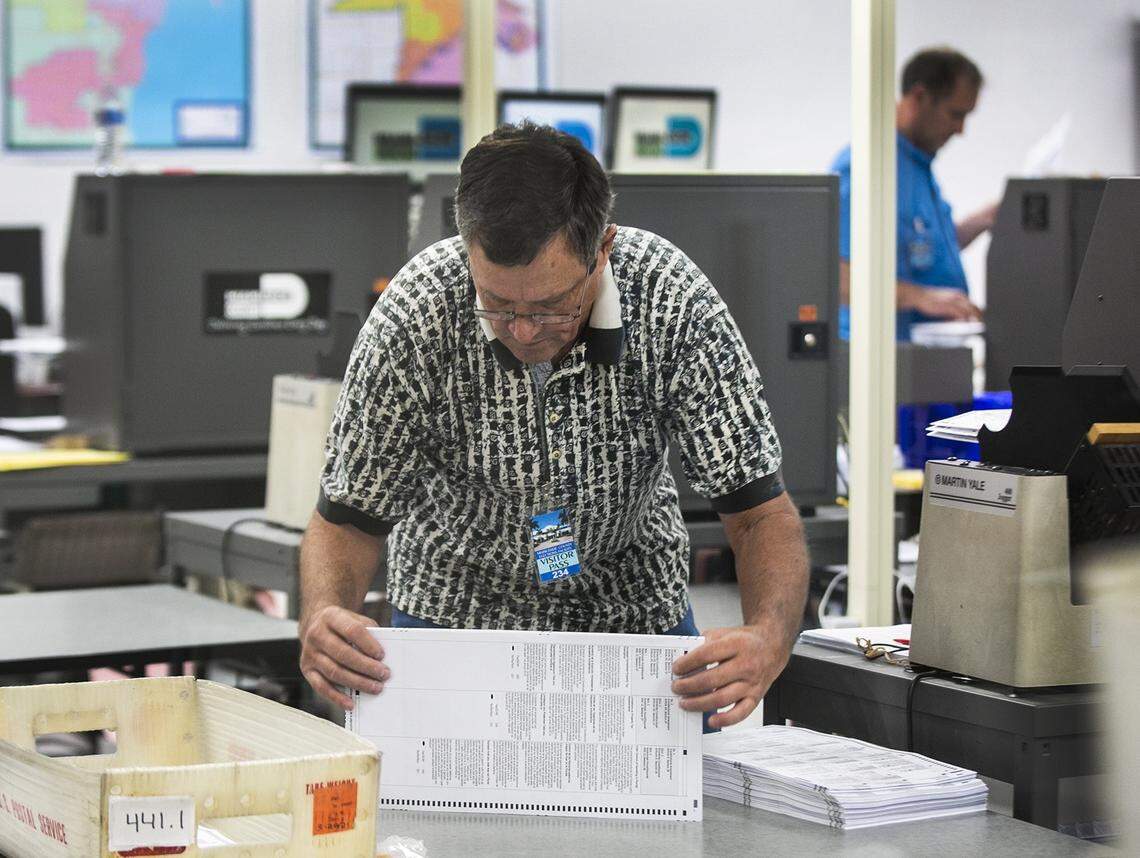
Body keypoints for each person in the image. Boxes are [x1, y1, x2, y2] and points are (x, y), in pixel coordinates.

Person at [298, 123, 809, 730]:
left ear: (604, 251)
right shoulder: (416, 315)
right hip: (453, 617)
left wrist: (768, 638)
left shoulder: (672, 301)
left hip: (633, 617)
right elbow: (346, 521)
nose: (521, 330)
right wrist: (325, 615)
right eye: (498, 303)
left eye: (549, 306)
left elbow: (759, 514)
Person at [832, 46, 998, 341]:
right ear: (920, 97)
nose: (960, 130)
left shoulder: (916, 167)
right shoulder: (869, 167)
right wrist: (921, 297)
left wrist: (985, 219)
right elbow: (837, 276)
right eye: (955, 114)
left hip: (923, 357)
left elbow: (921, 253)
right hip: (879, 361)